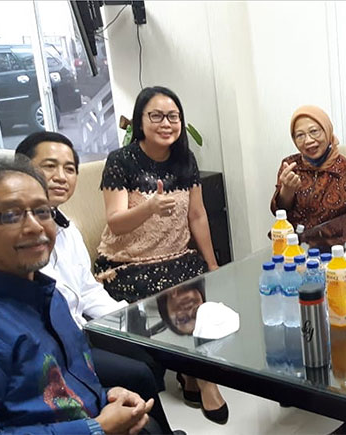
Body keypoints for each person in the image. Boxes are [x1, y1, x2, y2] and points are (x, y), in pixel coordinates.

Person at [0, 131, 178, 434]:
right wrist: (97, 427)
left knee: (145, 391)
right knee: (138, 374)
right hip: (55, 361)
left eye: (41, 212)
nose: (34, 227)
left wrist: (133, 323)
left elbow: (87, 291)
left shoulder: (61, 250)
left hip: (72, 342)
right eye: (11, 215)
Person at [94, 86, 227, 424]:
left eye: (173, 116)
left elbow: (197, 215)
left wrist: (213, 264)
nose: (166, 123)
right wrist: (149, 207)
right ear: (140, 120)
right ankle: (203, 379)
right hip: (128, 263)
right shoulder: (120, 161)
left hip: (178, 256)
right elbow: (115, 222)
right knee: (179, 295)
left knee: (203, 290)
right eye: (156, 116)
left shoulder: (185, 160)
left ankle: (192, 372)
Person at [270, 105, 346, 247]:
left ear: (327, 131)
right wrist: (287, 192)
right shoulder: (290, 166)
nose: (308, 140)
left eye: (314, 131)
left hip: (334, 251)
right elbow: (279, 213)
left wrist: (317, 237)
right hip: (291, 248)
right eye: (300, 135)